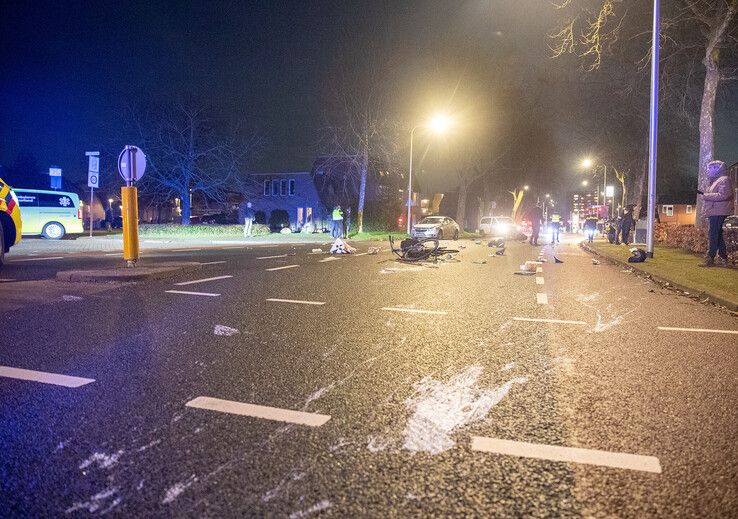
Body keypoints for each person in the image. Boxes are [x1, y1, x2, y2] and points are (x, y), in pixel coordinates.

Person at [698, 160, 734, 267]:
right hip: (715, 210)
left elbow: (723, 195)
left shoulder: (724, 180)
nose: (708, 170)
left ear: (717, 168)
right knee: (717, 234)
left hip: (718, 211)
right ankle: (723, 258)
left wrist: (706, 195)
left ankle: (710, 257)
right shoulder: (716, 180)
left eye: (711, 168)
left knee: (713, 233)